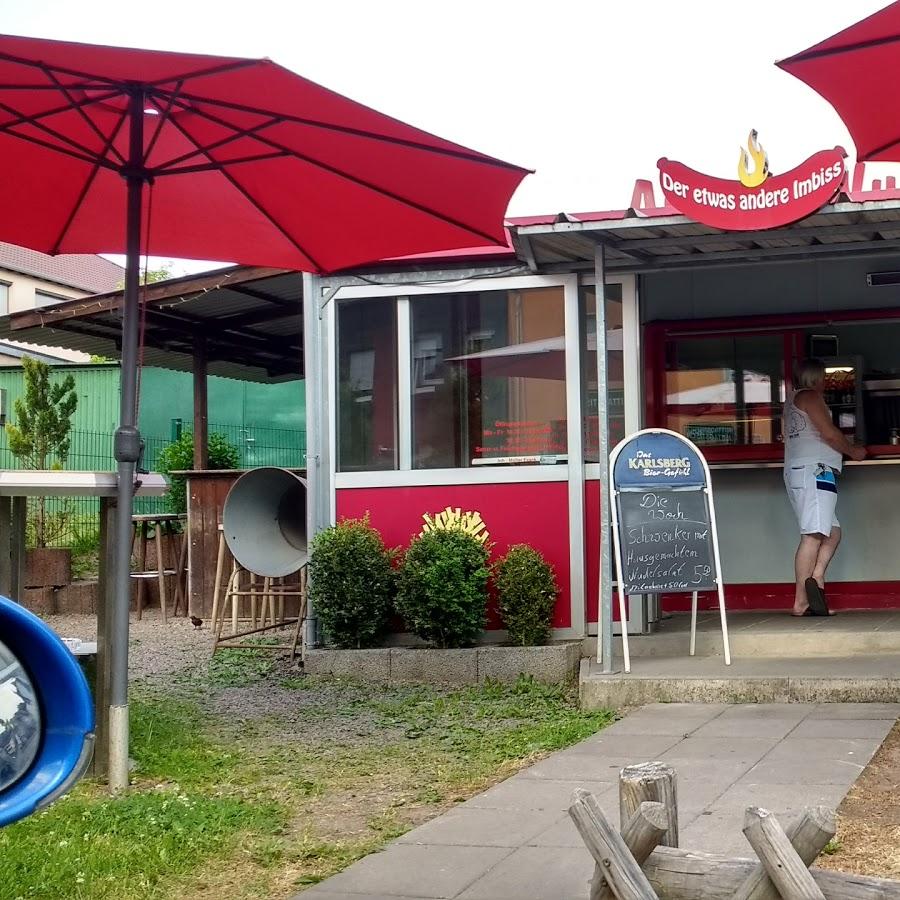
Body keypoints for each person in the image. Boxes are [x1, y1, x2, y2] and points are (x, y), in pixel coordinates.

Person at [783, 358, 866, 617]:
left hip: (807, 471)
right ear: (817, 378)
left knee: (832, 532)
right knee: (813, 534)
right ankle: (801, 601)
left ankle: (815, 582)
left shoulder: (792, 399)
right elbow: (829, 434)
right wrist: (853, 451)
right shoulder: (810, 397)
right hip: (814, 471)